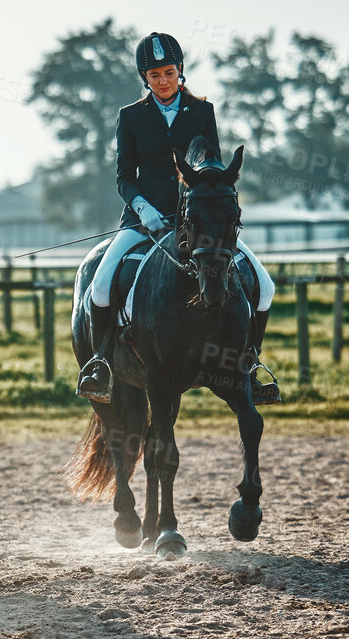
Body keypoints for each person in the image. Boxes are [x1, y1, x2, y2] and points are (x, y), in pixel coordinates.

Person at [76, 31, 279, 405]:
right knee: (102, 285)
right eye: (154, 76)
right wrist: (143, 208)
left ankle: (251, 365)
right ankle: (101, 363)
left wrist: (207, 204)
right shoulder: (131, 117)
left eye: (168, 72)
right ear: (145, 79)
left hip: (200, 222)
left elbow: (214, 165)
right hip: (144, 220)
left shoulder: (202, 112)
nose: (163, 80)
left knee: (264, 286)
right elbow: (124, 177)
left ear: (180, 70)